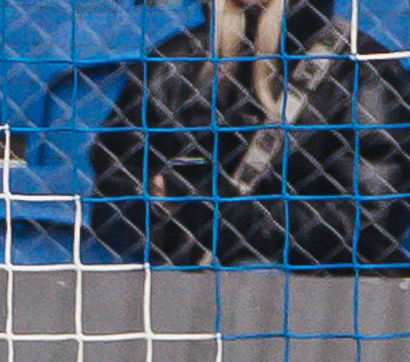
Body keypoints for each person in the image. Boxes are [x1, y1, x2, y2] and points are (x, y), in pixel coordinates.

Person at [89, 0, 410, 272]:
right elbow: (112, 196)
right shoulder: (172, 64)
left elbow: (372, 225)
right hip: (186, 301)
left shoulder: (364, 74)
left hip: (322, 308)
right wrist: (163, 208)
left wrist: (223, 212)